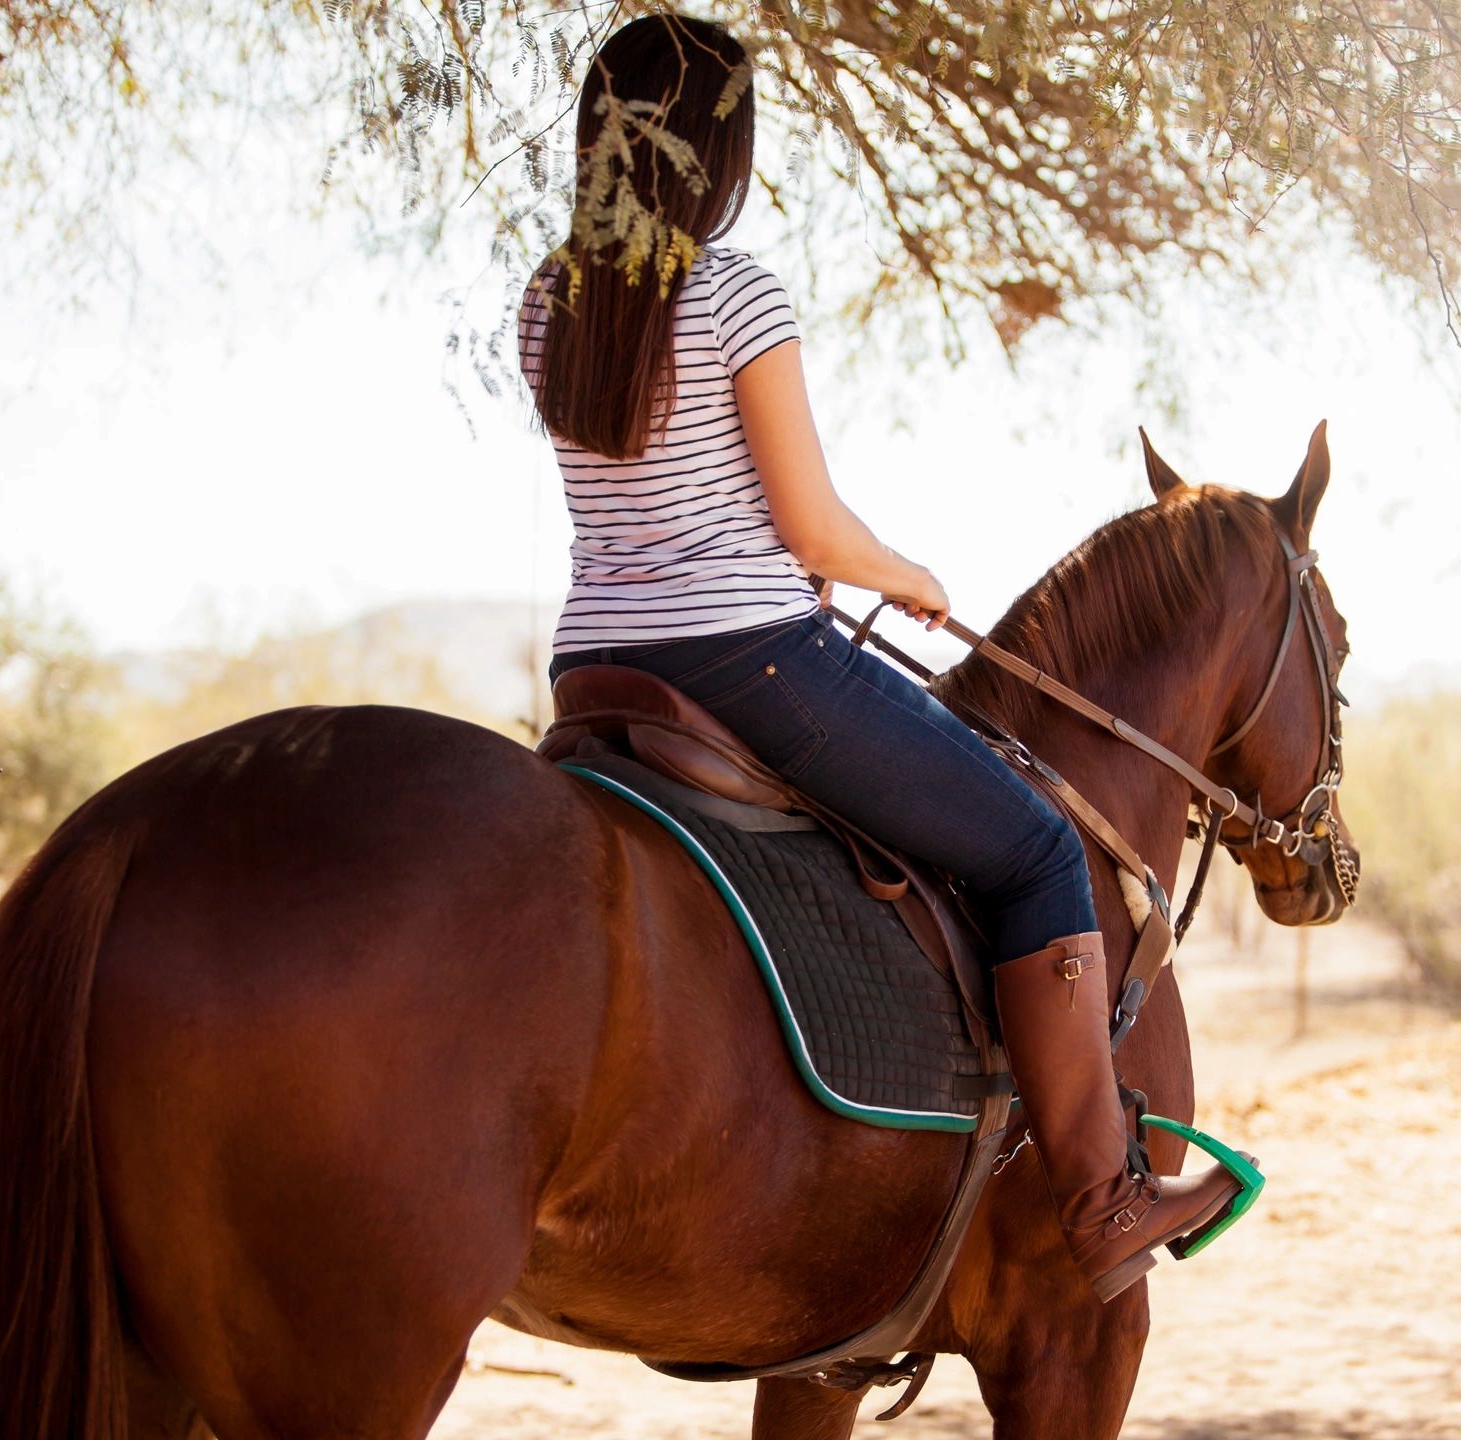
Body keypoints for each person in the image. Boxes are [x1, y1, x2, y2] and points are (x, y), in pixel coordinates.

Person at [517, 13, 1239, 1303]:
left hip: (594, 668)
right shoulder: (733, 289)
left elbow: (643, 503)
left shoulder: (552, 298)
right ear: (715, 148)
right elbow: (806, 525)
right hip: (751, 658)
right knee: (1028, 847)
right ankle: (1102, 1196)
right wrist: (905, 574)